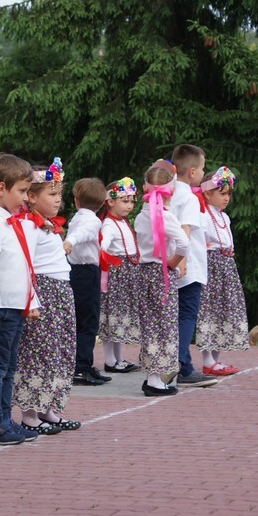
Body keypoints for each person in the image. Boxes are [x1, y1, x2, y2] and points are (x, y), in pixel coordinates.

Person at [13, 159, 81, 434]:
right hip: (44, 292)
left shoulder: (48, 226)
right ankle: (30, 413)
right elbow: (26, 263)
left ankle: (51, 408)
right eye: (51, 194)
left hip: (62, 291)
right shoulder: (28, 226)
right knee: (38, 352)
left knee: (59, 351)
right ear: (31, 196)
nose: (58, 199)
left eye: (59, 194)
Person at [0, 153, 40, 445]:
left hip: (15, 304)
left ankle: (5, 418)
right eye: (22, 191)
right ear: (1, 188)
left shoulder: (9, 220)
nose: (26, 198)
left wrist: (31, 299)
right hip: (1, 305)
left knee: (9, 367)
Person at [133, 160, 189, 396]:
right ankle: (156, 380)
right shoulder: (167, 217)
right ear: (171, 191)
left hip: (143, 273)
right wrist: (173, 262)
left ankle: (152, 376)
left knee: (149, 325)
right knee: (164, 325)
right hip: (161, 274)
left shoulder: (140, 216)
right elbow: (184, 244)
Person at [170, 145, 217, 387]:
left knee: (175, 316)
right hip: (188, 265)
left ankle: (184, 364)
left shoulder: (167, 193)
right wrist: (184, 261)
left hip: (171, 262)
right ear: (191, 172)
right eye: (202, 169)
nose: (203, 172)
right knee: (187, 315)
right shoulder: (188, 197)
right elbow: (184, 232)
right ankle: (179, 364)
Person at [195, 166, 248, 375]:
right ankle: (208, 359)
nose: (226, 198)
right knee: (210, 311)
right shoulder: (203, 216)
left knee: (224, 311)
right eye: (222, 193)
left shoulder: (224, 218)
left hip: (226, 268)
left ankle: (216, 360)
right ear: (208, 193)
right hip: (211, 268)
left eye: (228, 194)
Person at [65, 177, 111, 386]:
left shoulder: (77, 217)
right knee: (88, 323)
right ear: (102, 203)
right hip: (86, 272)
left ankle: (84, 363)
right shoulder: (92, 220)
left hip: (77, 271)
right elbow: (81, 235)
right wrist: (70, 242)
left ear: (76, 200)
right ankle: (81, 367)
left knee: (82, 321)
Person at [99, 177, 142, 373]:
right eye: (125, 201)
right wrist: (107, 260)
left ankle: (119, 358)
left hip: (127, 275)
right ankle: (110, 360)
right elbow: (102, 246)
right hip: (117, 276)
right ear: (110, 201)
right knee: (112, 317)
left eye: (132, 201)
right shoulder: (109, 225)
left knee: (121, 318)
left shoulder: (122, 222)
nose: (130, 205)